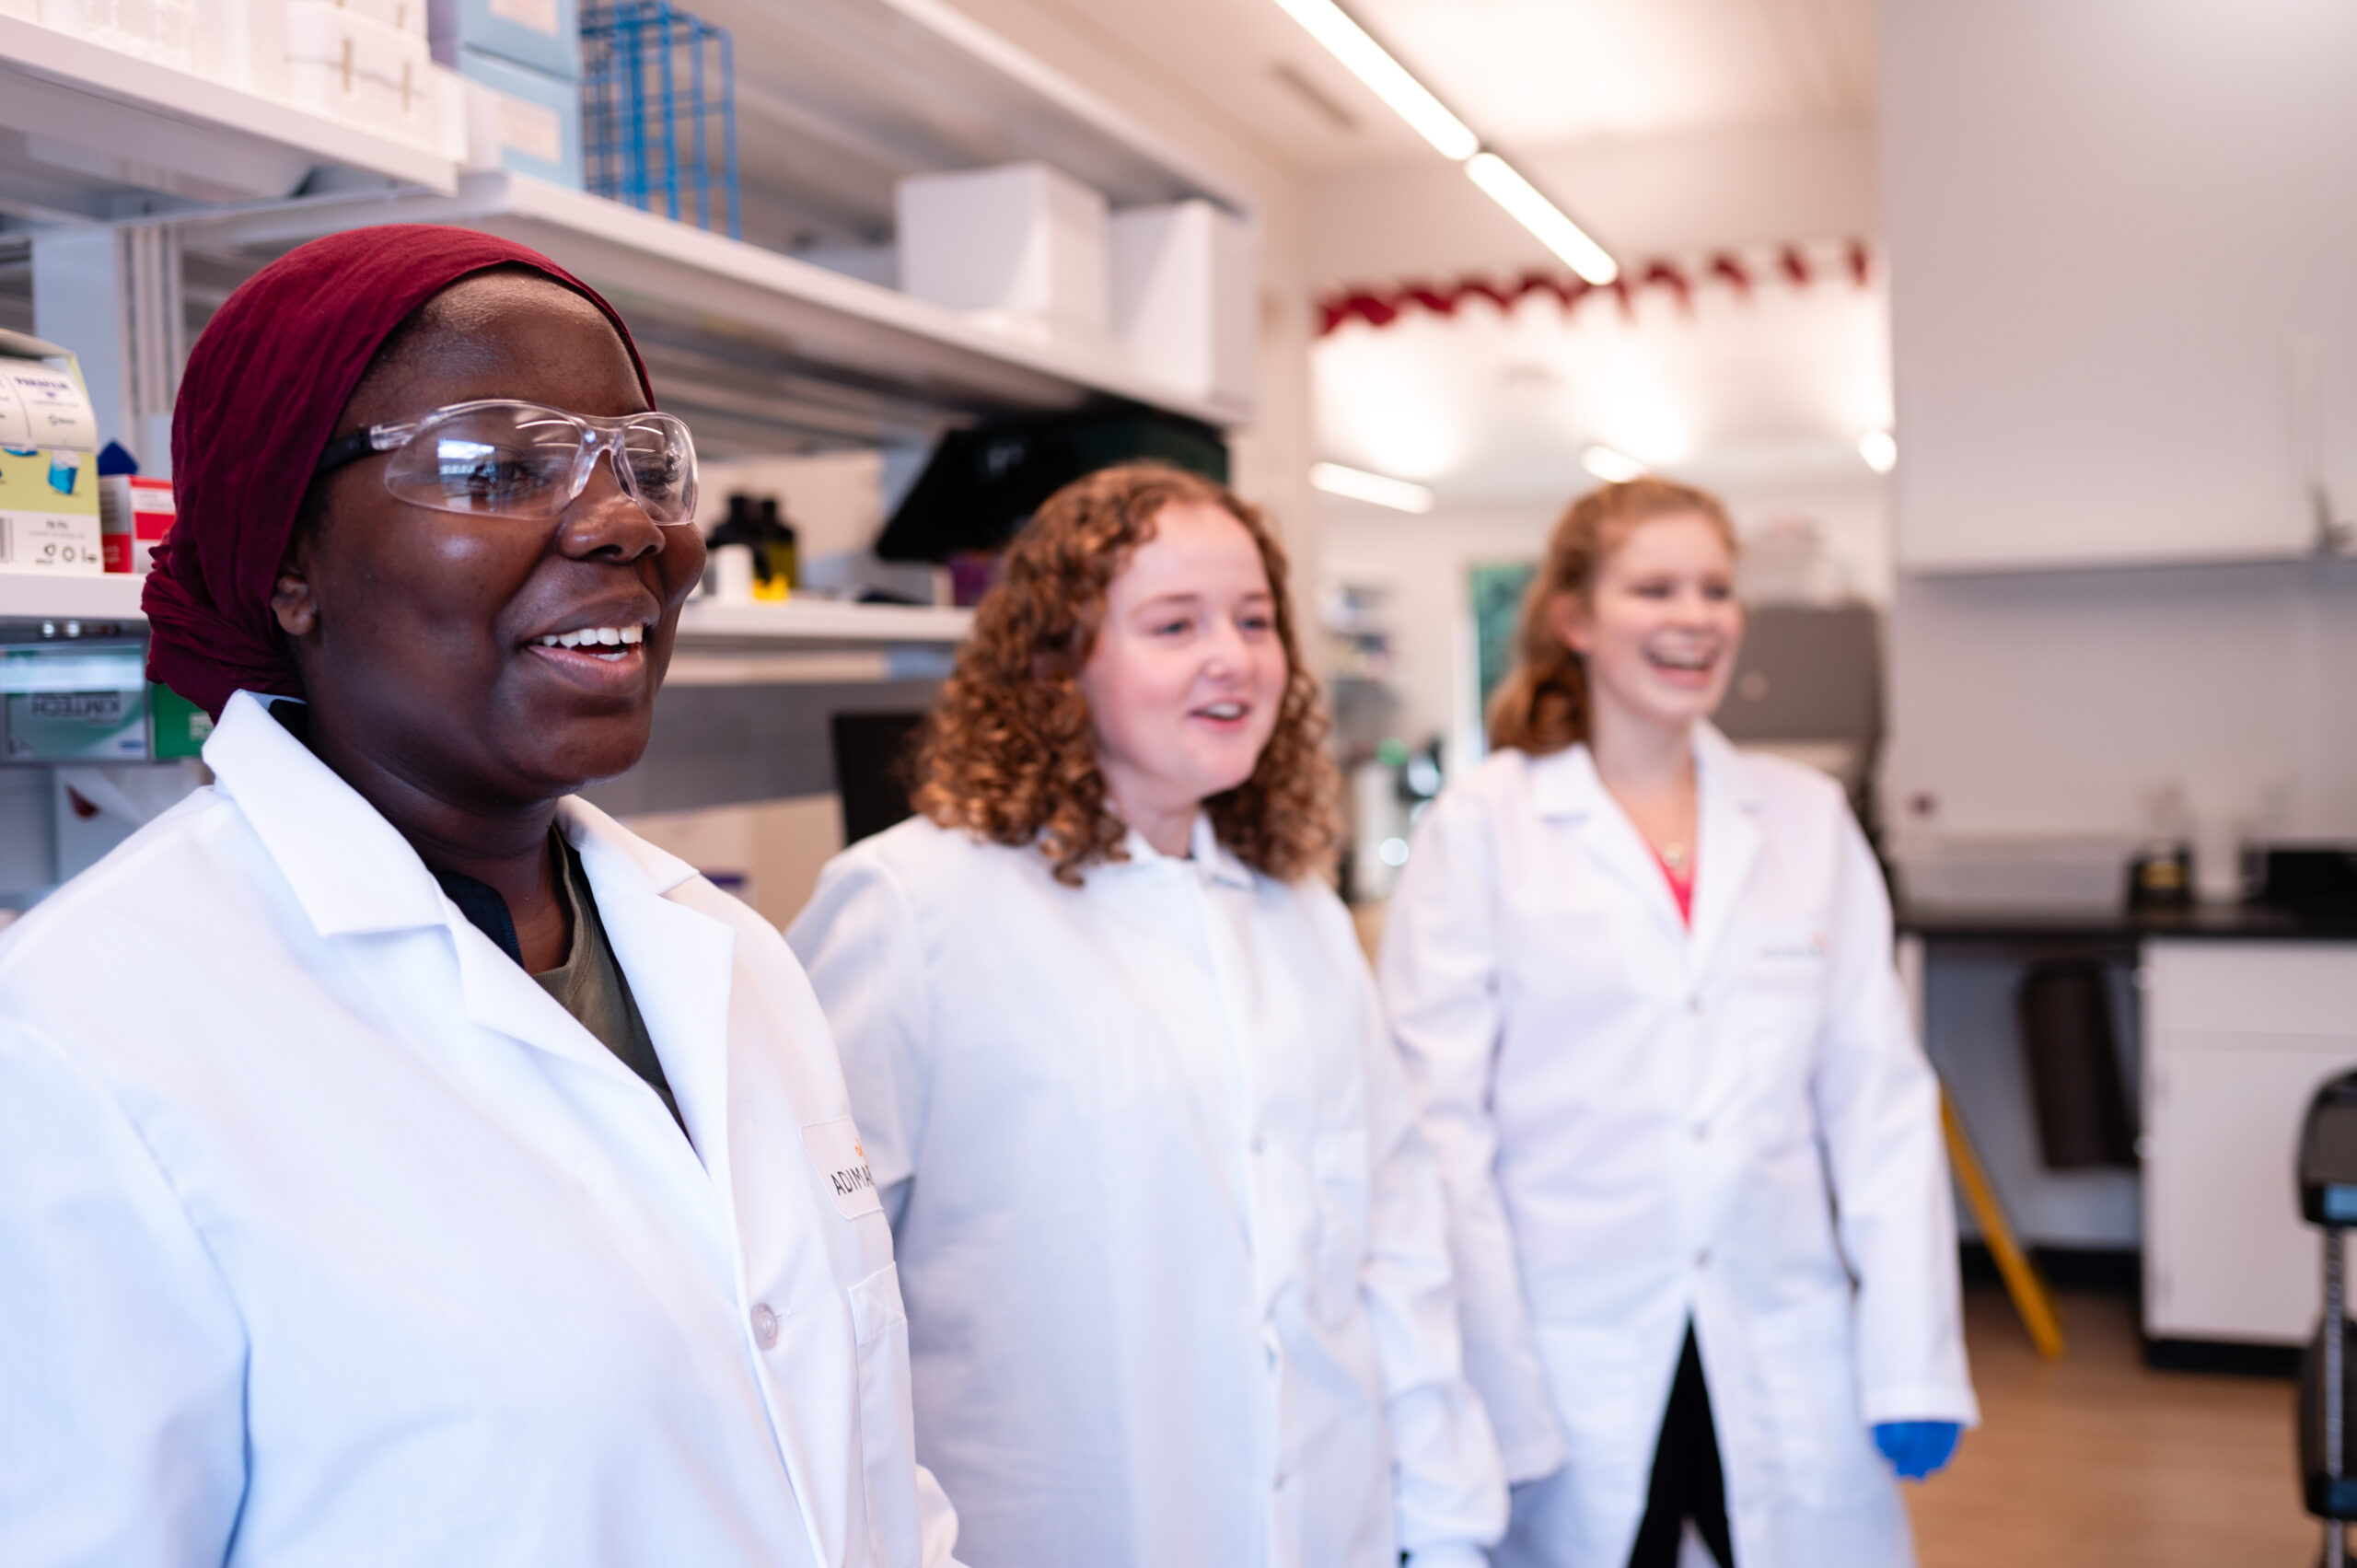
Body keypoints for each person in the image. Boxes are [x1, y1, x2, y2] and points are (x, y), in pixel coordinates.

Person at [0, 226, 960, 1568]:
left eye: (645, 463)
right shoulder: (84, 1041)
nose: (629, 519)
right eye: (498, 465)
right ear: (289, 560)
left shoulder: (733, 959)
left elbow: (868, 1482)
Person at [788, 463, 1508, 1568]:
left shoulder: (1297, 907)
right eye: (1174, 623)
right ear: (1056, 666)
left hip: (1331, 1522)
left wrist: (1449, 1523)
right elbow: (812, 1290)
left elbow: (1393, 1241)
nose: (1233, 654)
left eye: (1255, 619)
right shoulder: (913, 906)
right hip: (1050, 1524)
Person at [1377, 477, 1977, 1568]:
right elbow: (1437, 1132)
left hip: (1781, 1333)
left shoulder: (1804, 818)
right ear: (1575, 618)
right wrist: (1488, 1379)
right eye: (1654, 587)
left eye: (1714, 587)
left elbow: (1877, 1101)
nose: (1694, 615)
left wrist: (1911, 1352)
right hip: (1568, 1349)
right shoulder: (1486, 826)